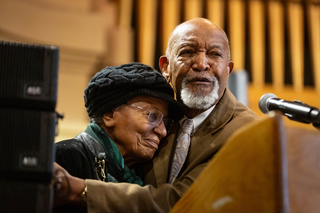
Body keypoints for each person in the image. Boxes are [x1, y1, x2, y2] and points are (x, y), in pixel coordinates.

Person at [53, 18, 259, 212]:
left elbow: (183, 202)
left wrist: (80, 189)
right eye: (188, 51)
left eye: (215, 54)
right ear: (166, 68)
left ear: (228, 70)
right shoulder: (168, 122)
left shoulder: (246, 132)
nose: (202, 64)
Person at [53, 62, 183, 211]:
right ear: (109, 114)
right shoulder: (66, 157)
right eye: (152, 116)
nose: (163, 131)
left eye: (165, 122)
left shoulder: (145, 174)